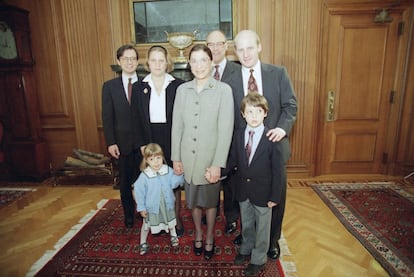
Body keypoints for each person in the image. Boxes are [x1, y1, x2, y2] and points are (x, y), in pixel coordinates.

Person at [226, 30, 297, 260]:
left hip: (273, 148)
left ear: (259, 47)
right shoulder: (230, 80)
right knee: (247, 197)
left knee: (274, 196)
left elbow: (290, 106)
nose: (245, 54)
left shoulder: (277, 73)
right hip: (245, 153)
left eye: (249, 48)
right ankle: (249, 236)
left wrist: (282, 128)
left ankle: (272, 240)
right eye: (240, 49)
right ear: (235, 52)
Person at [171, 44, 234, 260]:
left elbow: (226, 130)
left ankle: (209, 237)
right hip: (188, 158)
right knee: (194, 201)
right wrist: (176, 158)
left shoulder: (223, 90)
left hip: (210, 159)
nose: (199, 65)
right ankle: (198, 232)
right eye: (195, 61)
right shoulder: (182, 90)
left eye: (203, 60)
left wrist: (217, 163)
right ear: (189, 64)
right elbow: (177, 126)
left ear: (211, 62)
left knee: (210, 202)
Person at [228, 93, 283, 276]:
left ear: (265, 113)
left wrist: (275, 196)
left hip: (264, 194)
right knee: (247, 223)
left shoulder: (272, 138)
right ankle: (246, 248)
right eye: (249, 112)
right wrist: (219, 172)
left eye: (258, 112)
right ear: (243, 114)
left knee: (262, 228)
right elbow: (233, 161)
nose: (254, 116)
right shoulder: (238, 135)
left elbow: (278, 172)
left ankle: (258, 258)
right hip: (244, 191)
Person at [133, 45, 185, 236]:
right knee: (153, 180)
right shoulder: (139, 87)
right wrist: (142, 144)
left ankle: (175, 219)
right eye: (153, 60)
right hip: (149, 139)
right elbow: (135, 118)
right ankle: (157, 219)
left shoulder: (178, 85)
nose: (157, 64)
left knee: (172, 179)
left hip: (172, 137)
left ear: (167, 62)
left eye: (161, 60)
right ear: (147, 63)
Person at [102, 44, 142, 228]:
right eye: (125, 59)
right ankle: (128, 214)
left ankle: (145, 211)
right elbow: (107, 116)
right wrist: (111, 142)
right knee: (125, 183)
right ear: (119, 61)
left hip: (143, 144)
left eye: (133, 58)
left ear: (137, 61)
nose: (129, 62)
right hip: (122, 144)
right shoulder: (109, 87)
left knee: (144, 182)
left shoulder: (145, 83)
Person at [206, 30, 241, 235]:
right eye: (211, 44)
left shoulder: (238, 70)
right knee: (208, 175)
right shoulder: (200, 69)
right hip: (209, 136)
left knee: (231, 182)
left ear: (226, 46)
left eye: (219, 44)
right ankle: (207, 212)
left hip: (233, 134)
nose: (216, 48)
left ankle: (231, 217)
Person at [133, 143, 184, 255]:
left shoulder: (167, 170)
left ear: (162, 157)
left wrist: (179, 175)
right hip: (152, 207)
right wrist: (141, 207)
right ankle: (143, 242)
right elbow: (138, 191)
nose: (156, 162)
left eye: (158, 158)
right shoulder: (145, 175)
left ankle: (173, 236)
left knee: (171, 221)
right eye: (152, 159)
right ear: (146, 160)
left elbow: (173, 183)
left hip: (167, 203)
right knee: (146, 225)